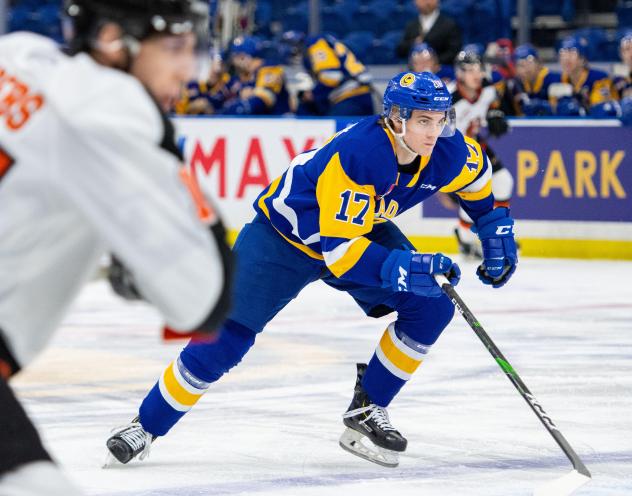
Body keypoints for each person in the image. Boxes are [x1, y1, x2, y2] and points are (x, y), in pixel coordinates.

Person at [105, 71, 518, 469]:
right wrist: (409, 265)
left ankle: (368, 408)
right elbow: (341, 256)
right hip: (283, 239)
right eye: (423, 120)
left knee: (432, 307)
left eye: (441, 119)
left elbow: (479, 178)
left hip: (357, 230)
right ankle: (146, 426)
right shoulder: (361, 154)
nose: (434, 131)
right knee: (224, 341)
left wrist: (491, 226)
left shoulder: (447, 150)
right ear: (395, 118)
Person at [0, 1, 233, 495]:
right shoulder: (112, 109)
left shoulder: (20, 52)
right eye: (173, 47)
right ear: (111, 39)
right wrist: (165, 146)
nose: (188, 69)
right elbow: (204, 298)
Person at [445, 50, 515, 257]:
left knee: (503, 181)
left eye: (479, 69)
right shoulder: (448, 99)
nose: (476, 74)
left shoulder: (487, 88)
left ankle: (497, 232)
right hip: (453, 152)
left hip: (476, 146)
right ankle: (466, 237)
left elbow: (495, 102)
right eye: (469, 70)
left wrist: (496, 112)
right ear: (460, 73)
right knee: (472, 193)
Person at [289, 32, 374, 117]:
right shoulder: (323, 41)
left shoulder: (316, 44)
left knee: (330, 127)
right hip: (362, 94)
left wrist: (313, 93)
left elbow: (332, 76)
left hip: (350, 96)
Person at [220, 35, 291, 115]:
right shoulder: (237, 78)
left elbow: (264, 100)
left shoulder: (269, 69)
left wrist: (253, 93)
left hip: (278, 123)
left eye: (238, 57)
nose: (234, 62)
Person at [557, 34, 618, 117]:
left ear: (583, 59)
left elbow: (601, 110)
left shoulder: (599, 78)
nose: (566, 58)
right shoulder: (560, 79)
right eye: (563, 53)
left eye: (572, 53)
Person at [396, 0, 462, 64]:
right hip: (415, 72)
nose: (426, 2)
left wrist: (434, 62)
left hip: (442, 71)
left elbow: (454, 52)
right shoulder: (411, 26)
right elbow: (400, 51)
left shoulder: (449, 25)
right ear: (415, 2)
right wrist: (413, 43)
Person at [513, 43, 561, 116]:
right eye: (521, 65)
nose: (526, 68)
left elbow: (560, 110)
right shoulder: (518, 84)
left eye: (529, 63)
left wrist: (544, 106)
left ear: (539, 63)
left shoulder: (554, 79)